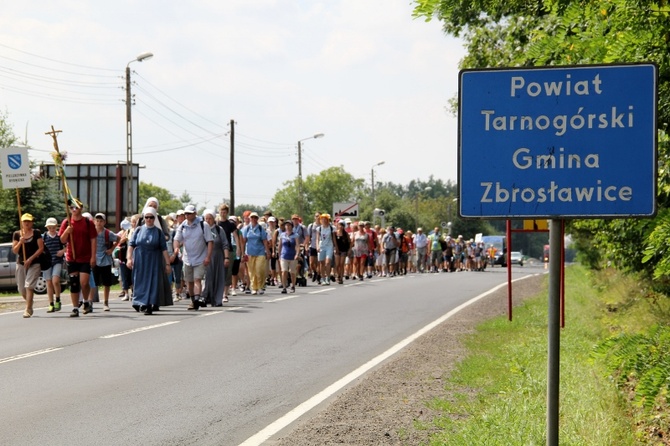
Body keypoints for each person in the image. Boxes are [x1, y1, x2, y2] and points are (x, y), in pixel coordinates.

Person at [127, 207, 171, 315]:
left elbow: (164, 249)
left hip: (154, 259)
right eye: (147, 217)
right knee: (139, 281)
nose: (149, 219)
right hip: (140, 258)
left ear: (154, 218)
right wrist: (129, 258)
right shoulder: (138, 230)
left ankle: (149, 304)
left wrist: (167, 264)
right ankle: (139, 301)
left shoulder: (158, 232)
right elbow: (131, 245)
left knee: (152, 281)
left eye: (151, 217)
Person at [59, 198, 97, 317]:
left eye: (76, 207)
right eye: (72, 208)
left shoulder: (87, 222)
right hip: (72, 257)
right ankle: (75, 308)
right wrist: (67, 231)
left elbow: (93, 240)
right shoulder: (67, 222)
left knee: (84, 282)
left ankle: (86, 301)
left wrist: (93, 257)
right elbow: (62, 240)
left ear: (81, 208)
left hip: (85, 257)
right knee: (74, 283)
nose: (74, 209)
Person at [173, 205, 213, 310]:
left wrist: (208, 256)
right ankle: (192, 300)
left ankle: (196, 300)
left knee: (197, 279)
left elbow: (210, 241)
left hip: (200, 257)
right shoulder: (182, 226)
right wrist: (176, 248)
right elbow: (177, 239)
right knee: (189, 281)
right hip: (187, 258)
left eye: (189, 213)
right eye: (186, 213)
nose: (187, 215)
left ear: (195, 213)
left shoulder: (203, 225)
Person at [13, 213, 45, 318]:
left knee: (29, 286)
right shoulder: (17, 234)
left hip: (34, 263)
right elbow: (15, 250)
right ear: (21, 222)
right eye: (25, 221)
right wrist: (20, 242)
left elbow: (41, 248)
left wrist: (30, 259)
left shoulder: (36, 233)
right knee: (21, 289)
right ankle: (30, 303)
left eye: (29, 221)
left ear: (32, 222)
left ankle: (27, 309)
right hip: (21, 263)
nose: (27, 223)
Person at [202, 209, 230, 307]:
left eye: (210, 218)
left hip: (217, 256)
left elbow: (225, 244)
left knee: (218, 278)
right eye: (206, 218)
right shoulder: (202, 229)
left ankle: (217, 299)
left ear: (214, 219)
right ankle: (205, 297)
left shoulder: (219, 230)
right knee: (207, 278)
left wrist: (226, 258)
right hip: (205, 256)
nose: (208, 220)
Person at [92, 213, 118, 311]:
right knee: (93, 282)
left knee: (106, 283)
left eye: (101, 221)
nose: (99, 223)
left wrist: (112, 249)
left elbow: (118, 238)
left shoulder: (108, 233)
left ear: (104, 222)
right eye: (97, 221)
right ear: (94, 221)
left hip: (105, 260)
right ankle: (89, 301)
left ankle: (106, 302)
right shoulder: (91, 232)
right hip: (94, 259)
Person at [240, 212, 270, 295]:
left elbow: (264, 241)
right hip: (250, 252)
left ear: (257, 219)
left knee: (259, 270)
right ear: (250, 218)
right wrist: (242, 253)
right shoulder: (247, 228)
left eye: (255, 218)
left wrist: (267, 251)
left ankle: (260, 286)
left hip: (260, 252)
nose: (253, 219)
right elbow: (243, 241)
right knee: (251, 271)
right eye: (252, 217)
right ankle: (254, 287)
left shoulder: (260, 229)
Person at [218, 204, 241, 301]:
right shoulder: (216, 223)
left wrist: (239, 248)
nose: (223, 214)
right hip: (218, 250)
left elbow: (236, 236)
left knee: (228, 272)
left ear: (227, 213)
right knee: (219, 272)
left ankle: (225, 294)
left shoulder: (230, 224)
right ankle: (218, 292)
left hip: (229, 250)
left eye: (224, 212)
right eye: (221, 212)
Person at [43, 217, 65, 312]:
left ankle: (58, 300)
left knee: (55, 281)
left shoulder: (59, 236)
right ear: (47, 227)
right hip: (47, 262)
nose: (51, 229)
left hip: (57, 261)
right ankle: (51, 303)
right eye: (49, 227)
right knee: (48, 282)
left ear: (56, 227)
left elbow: (68, 246)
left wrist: (62, 251)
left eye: (53, 227)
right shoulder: (44, 236)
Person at [316, 214, 338, 285]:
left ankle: (327, 278)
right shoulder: (319, 228)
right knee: (322, 263)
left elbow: (334, 238)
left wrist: (336, 247)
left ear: (328, 220)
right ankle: (323, 278)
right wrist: (317, 246)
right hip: (322, 246)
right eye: (322, 219)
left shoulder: (332, 228)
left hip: (329, 246)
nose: (324, 220)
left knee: (328, 262)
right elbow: (317, 238)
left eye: (325, 219)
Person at [278, 220, 299, 293]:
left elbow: (297, 245)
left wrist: (297, 254)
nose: (287, 226)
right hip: (284, 255)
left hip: (292, 256)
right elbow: (280, 245)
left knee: (292, 272)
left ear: (292, 226)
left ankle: (293, 285)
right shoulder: (282, 235)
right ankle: (284, 287)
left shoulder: (295, 235)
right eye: (286, 225)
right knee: (284, 271)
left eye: (289, 225)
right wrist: (279, 255)